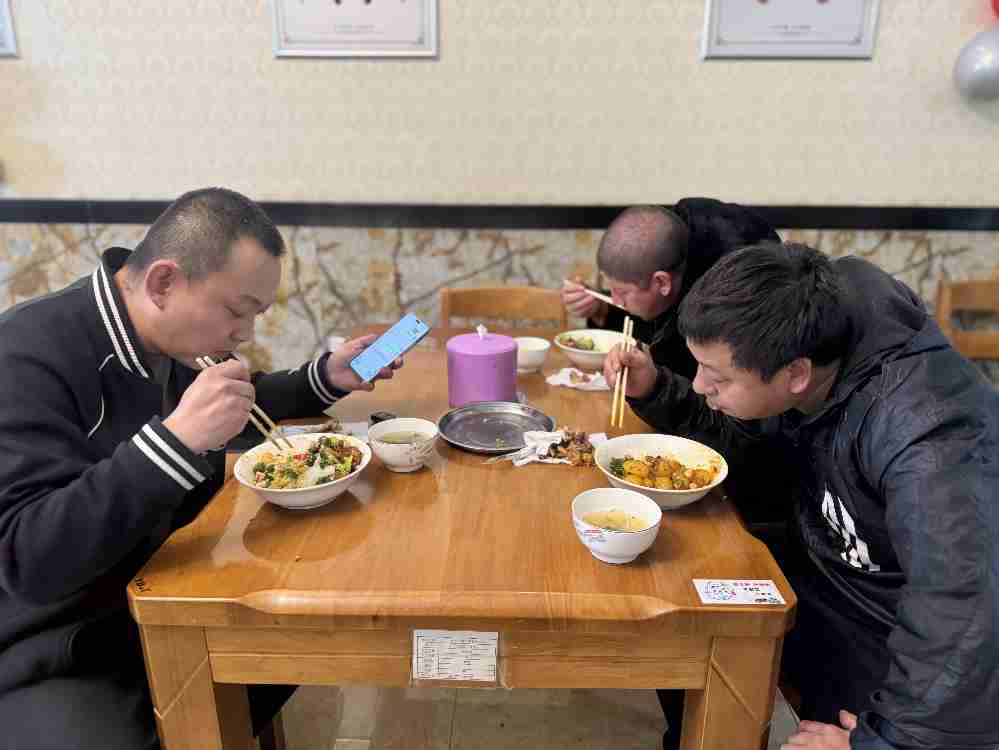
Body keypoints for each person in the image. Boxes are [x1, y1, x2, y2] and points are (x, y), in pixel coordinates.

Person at [0, 188, 402, 749]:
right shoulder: (24, 354)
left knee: (294, 644)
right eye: (236, 311)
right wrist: (177, 440)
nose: (245, 334)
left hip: (165, 582)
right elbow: (29, 560)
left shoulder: (167, 337)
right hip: (55, 639)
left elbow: (237, 402)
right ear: (163, 283)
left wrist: (325, 377)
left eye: (255, 316)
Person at [604, 243, 999, 750]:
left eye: (717, 376)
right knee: (685, 611)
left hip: (898, 639)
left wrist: (883, 742)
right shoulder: (802, 337)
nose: (700, 385)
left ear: (796, 373)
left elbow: (967, 615)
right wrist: (658, 387)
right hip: (826, 579)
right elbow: (746, 434)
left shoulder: (929, 436)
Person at [561, 199, 780, 379]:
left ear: (662, 282)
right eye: (611, 289)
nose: (616, 300)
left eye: (624, 292)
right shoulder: (673, 257)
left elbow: (694, 387)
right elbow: (655, 317)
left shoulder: (730, 295)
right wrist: (601, 311)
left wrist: (652, 388)